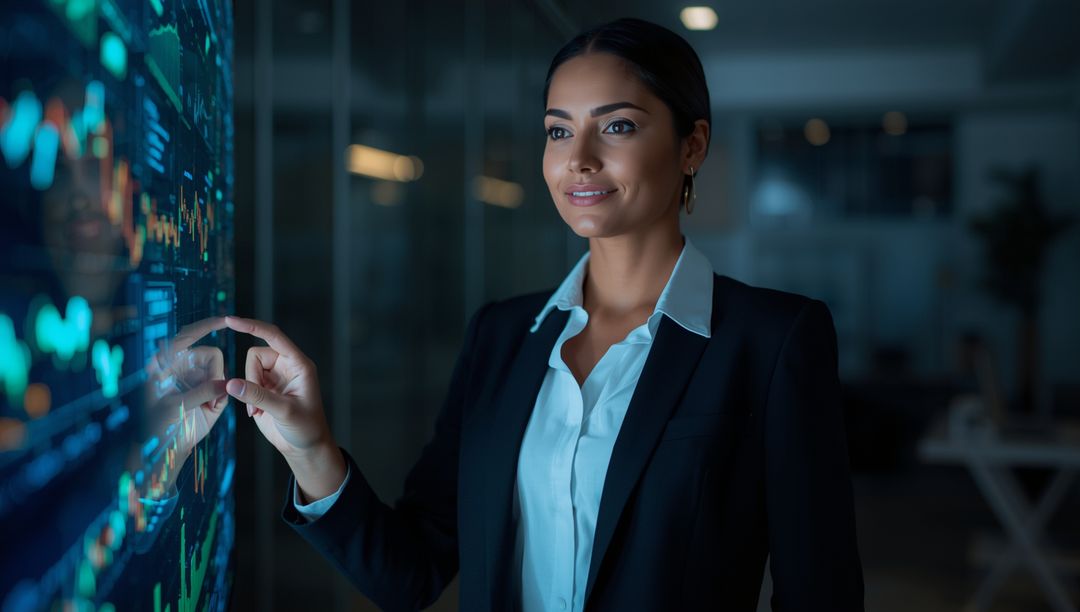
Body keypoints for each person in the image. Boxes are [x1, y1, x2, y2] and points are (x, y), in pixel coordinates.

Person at [223, 17, 864, 612]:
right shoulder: (501, 337)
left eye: (617, 126)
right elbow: (409, 573)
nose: (578, 158)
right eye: (559, 130)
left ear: (692, 144)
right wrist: (310, 447)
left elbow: (821, 590)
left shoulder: (771, 340)